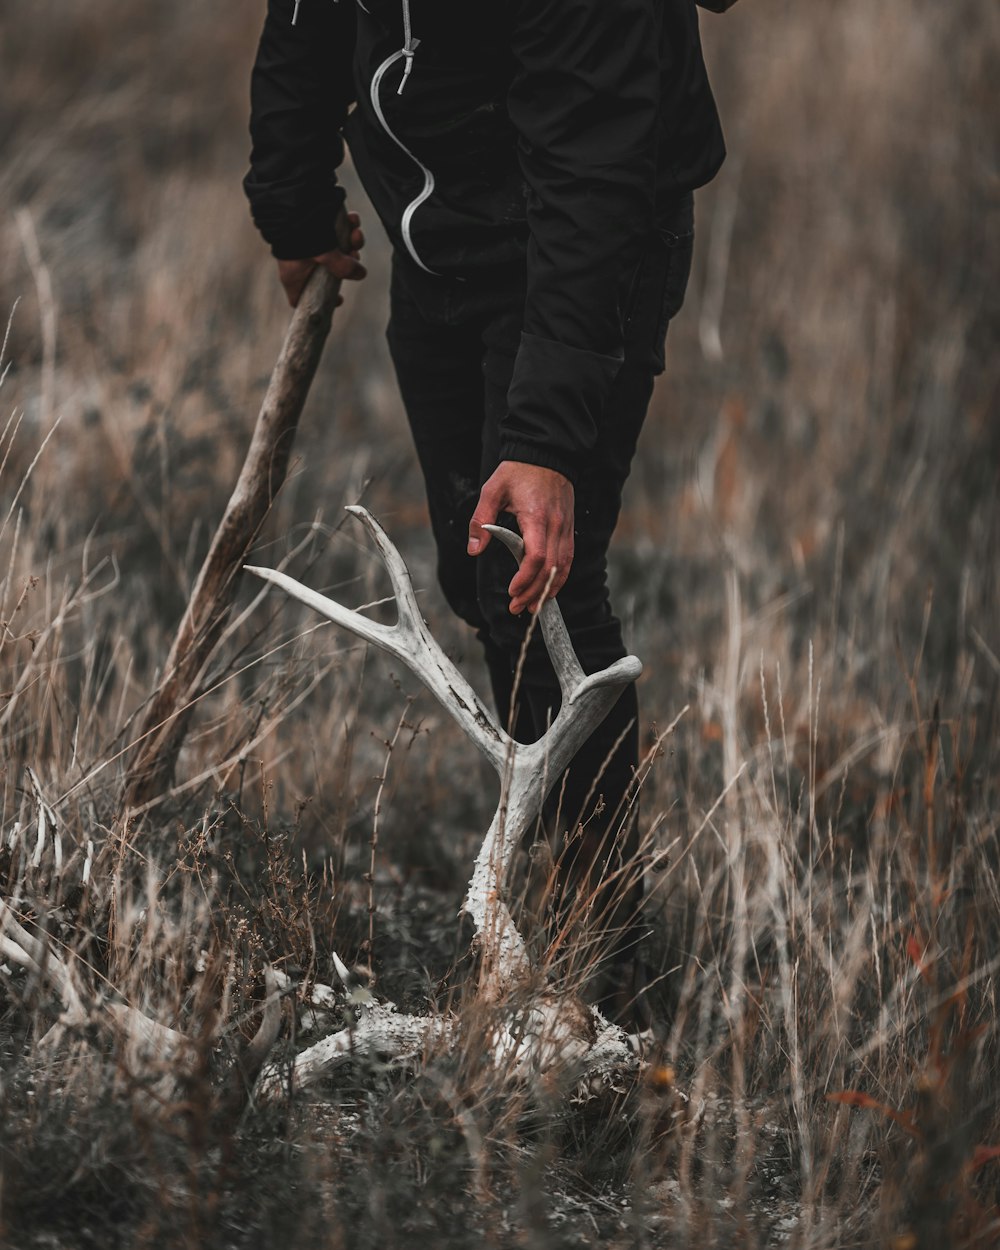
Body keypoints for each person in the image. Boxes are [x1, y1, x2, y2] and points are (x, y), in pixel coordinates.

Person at [244, 0, 726, 1026]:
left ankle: (606, 961)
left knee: (540, 584)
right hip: (442, 236)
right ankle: (547, 908)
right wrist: (292, 199)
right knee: (479, 582)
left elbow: (593, 165)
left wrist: (545, 437)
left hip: (590, 244)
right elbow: (303, 15)